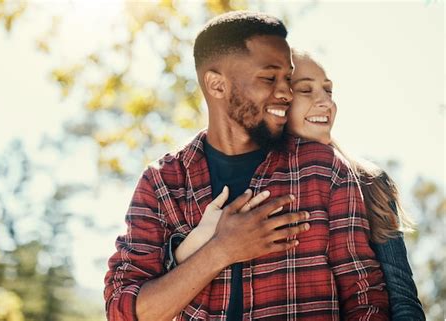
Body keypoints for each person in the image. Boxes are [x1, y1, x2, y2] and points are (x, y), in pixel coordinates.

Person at [104, 11, 389, 321]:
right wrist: (221, 250)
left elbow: (366, 300)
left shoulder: (323, 171)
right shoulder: (163, 183)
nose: (285, 93)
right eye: (269, 78)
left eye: (288, 79)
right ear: (216, 85)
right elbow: (124, 311)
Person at [170, 50, 426, 320]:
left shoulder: (369, 181)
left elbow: (402, 297)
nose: (325, 102)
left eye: (329, 91)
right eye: (305, 90)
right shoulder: (225, 181)